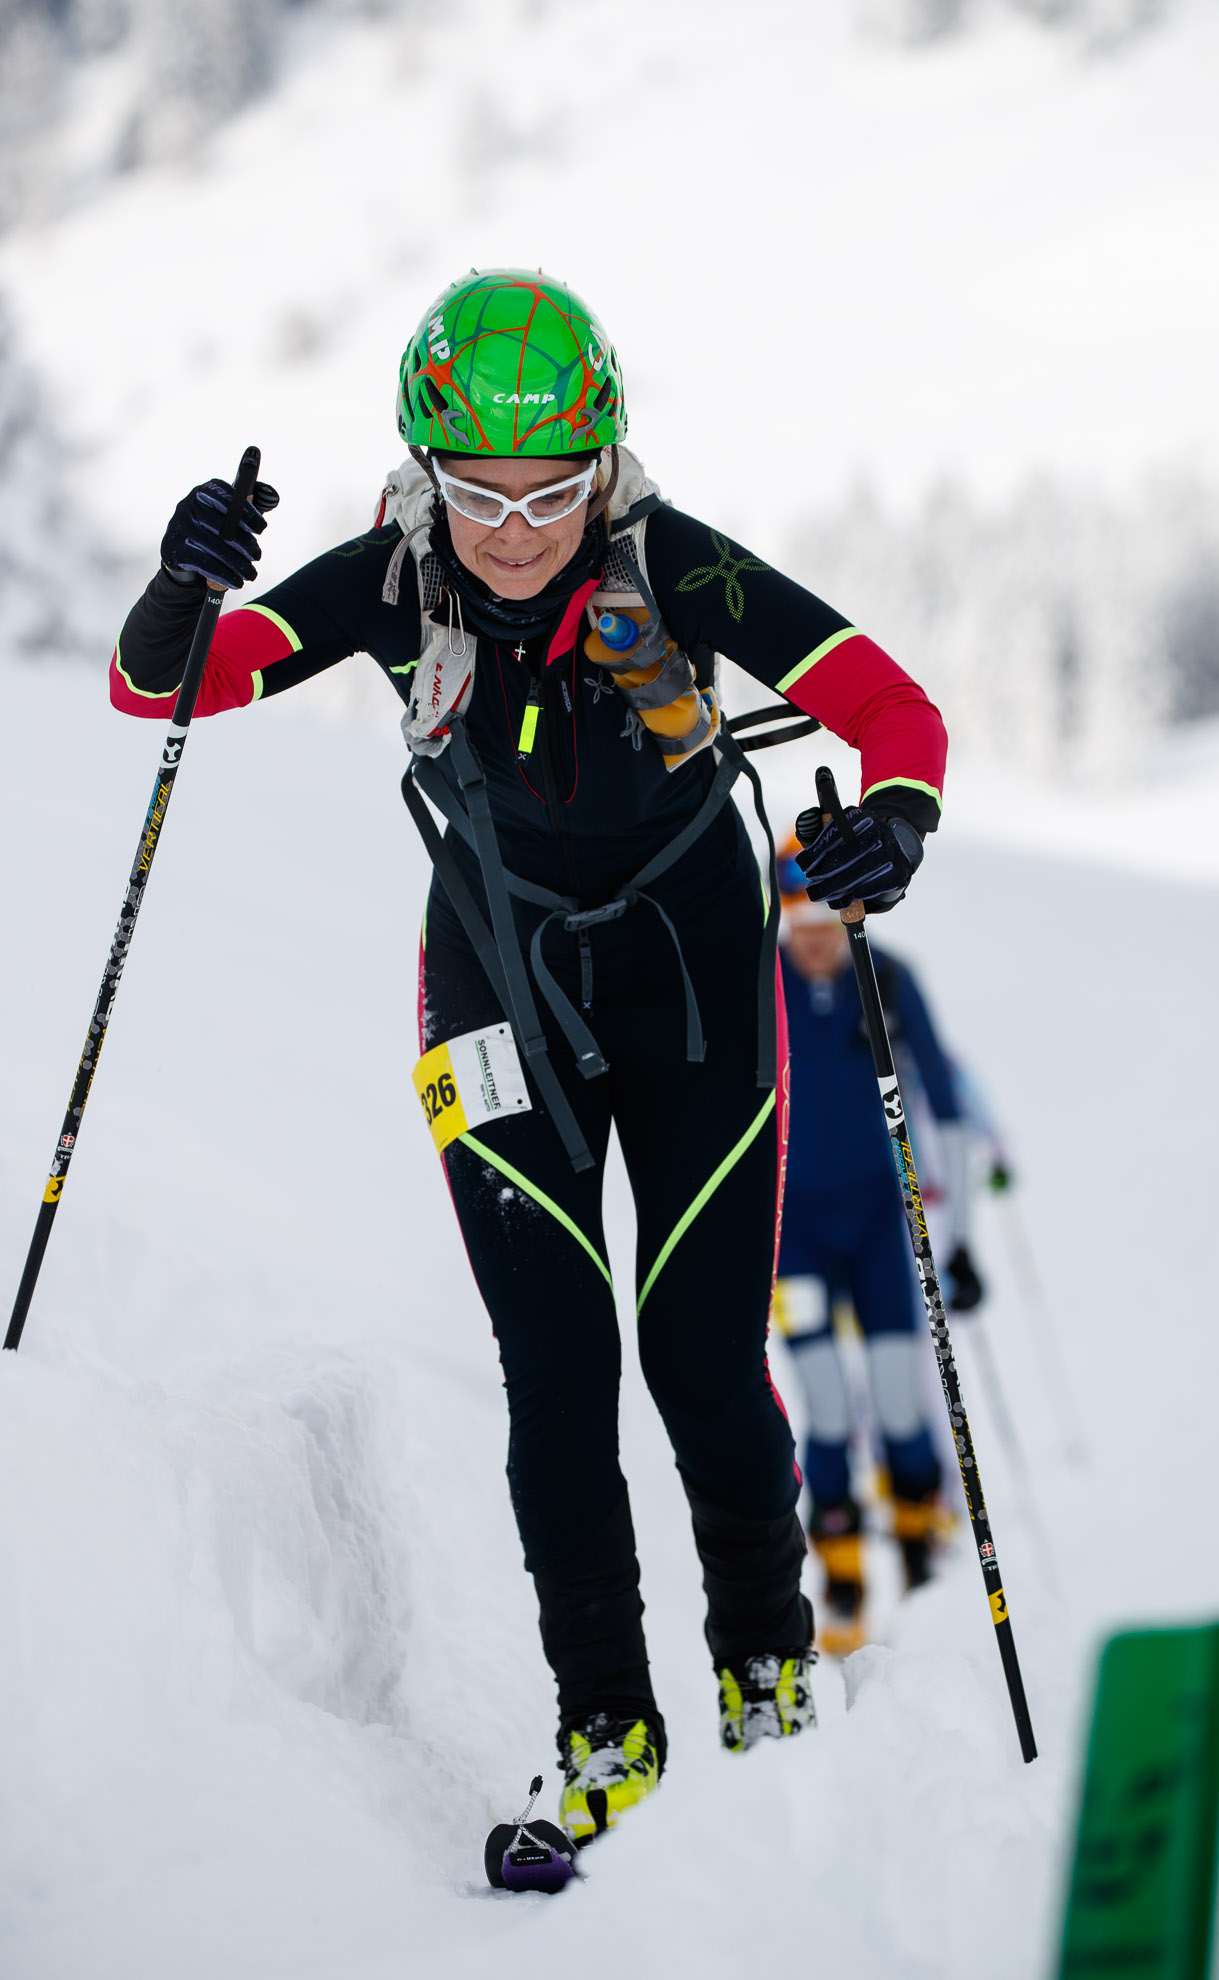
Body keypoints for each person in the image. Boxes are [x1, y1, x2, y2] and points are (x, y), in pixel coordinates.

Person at [108, 268, 947, 1840]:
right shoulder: (389, 578)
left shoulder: (669, 564)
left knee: (700, 1357)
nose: (511, 528)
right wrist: (183, 584)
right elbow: (165, 685)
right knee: (555, 1376)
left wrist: (897, 821)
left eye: (551, 489)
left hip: (697, 989)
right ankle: (604, 1731)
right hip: (493, 995)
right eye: (478, 491)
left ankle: (769, 1677)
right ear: (428, 466)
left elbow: (891, 706)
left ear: (605, 457)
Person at [774, 839, 984, 1654]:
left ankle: (920, 1559)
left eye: (828, 920)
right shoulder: (763, 983)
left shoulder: (886, 980)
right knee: (825, 1402)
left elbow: (949, 1103)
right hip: (792, 1236)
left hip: (874, 1227)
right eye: (800, 925)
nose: (817, 939)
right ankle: (843, 1581)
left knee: (900, 1397)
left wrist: (960, 1242)